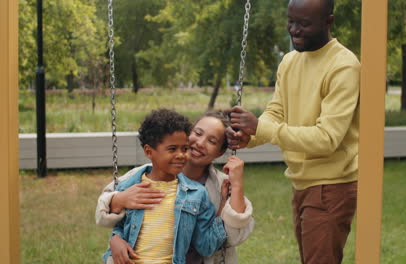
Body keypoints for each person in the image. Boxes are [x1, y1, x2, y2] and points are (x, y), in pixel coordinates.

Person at [226, 0, 360, 263]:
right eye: (291, 21)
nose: (294, 30)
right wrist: (248, 137)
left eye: (304, 24)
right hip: (302, 182)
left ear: (328, 22)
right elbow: (276, 114)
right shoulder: (289, 61)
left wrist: (260, 127)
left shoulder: (343, 66)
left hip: (332, 184)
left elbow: (327, 139)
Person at [97, 111, 254, 264]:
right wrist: (115, 236)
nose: (199, 143)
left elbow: (224, 239)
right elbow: (115, 215)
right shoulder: (138, 178)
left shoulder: (214, 188)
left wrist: (233, 190)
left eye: (212, 141)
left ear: (220, 153)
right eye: (198, 133)